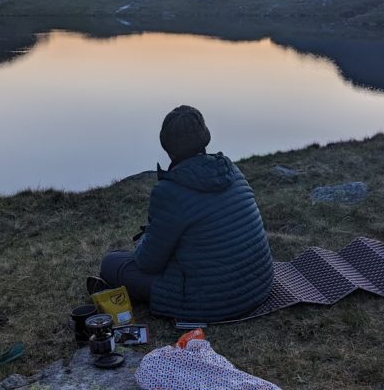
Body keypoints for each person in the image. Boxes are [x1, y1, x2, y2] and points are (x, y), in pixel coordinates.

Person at [98, 105, 274, 323]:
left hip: (214, 303)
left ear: (168, 147)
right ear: (204, 138)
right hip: (259, 286)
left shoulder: (169, 191)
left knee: (111, 264)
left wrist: (145, 241)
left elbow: (148, 264)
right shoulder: (230, 169)